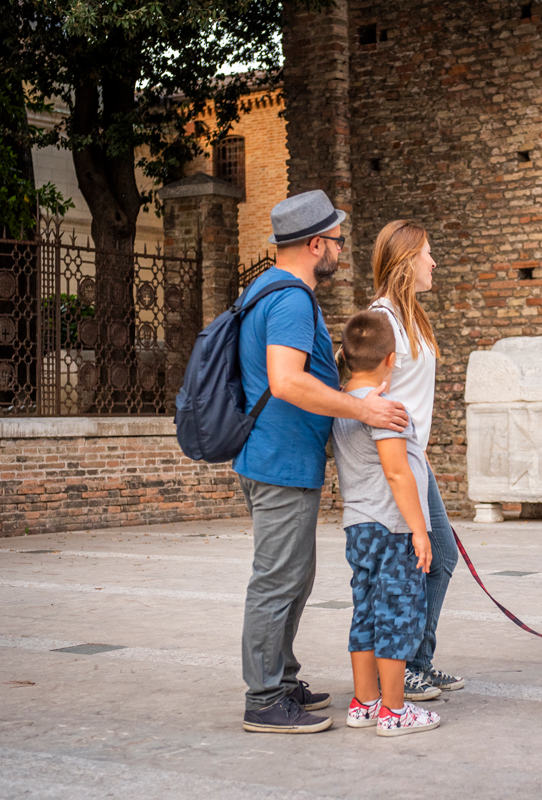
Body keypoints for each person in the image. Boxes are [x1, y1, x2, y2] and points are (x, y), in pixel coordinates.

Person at [236, 190, 409, 733]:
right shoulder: (288, 299)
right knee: (278, 579)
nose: (340, 249)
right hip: (278, 459)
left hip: (280, 457)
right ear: (315, 244)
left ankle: (282, 679)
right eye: (336, 240)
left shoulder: (267, 290)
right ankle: (264, 698)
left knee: (295, 576)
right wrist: (364, 408)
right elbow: (286, 382)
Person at [332, 311, 441, 736]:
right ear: (391, 359)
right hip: (392, 527)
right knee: (398, 613)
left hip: (358, 524)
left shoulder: (344, 403)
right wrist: (419, 529)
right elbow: (397, 473)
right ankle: (394, 712)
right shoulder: (385, 408)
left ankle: (364, 702)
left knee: (366, 611)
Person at [367, 220, 462, 701]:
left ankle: (417, 663)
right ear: (406, 261)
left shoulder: (411, 317)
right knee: (418, 561)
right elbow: (369, 394)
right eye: (427, 253)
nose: (433, 261)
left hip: (414, 457)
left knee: (440, 558)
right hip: (395, 459)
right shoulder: (382, 320)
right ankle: (403, 668)